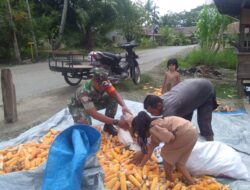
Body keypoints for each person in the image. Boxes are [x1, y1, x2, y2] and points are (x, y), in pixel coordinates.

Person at [130, 111, 198, 185]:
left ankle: (169, 179)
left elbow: (171, 138)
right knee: (180, 164)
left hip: (184, 132)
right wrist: (141, 165)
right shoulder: (156, 123)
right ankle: (192, 183)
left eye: (138, 132)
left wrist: (163, 138)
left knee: (165, 154)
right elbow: (150, 149)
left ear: (142, 129)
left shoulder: (153, 127)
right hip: (192, 131)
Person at [143, 78, 218, 141]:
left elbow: (167, 131)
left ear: (159, 106)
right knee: (184, 124)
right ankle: (188, 138)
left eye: (152, 112)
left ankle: (211, 144)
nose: (152, 115)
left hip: (205, 89)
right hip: (191, 93)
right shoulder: (161, 99)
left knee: (204, 122)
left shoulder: (169, 108)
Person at [67, 67, 131, 136]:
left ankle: (108, 127)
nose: (103, 87)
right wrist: (117, 122)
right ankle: (80, 128)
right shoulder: (84, 92)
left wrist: (123, 105)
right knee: (85, 128)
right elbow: (94, 114)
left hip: (93, 101)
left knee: (113, 99)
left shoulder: (105, 83)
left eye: (104, 84)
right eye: (100, 84)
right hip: (78, 106)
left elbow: (115, 94)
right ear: (93, 81)